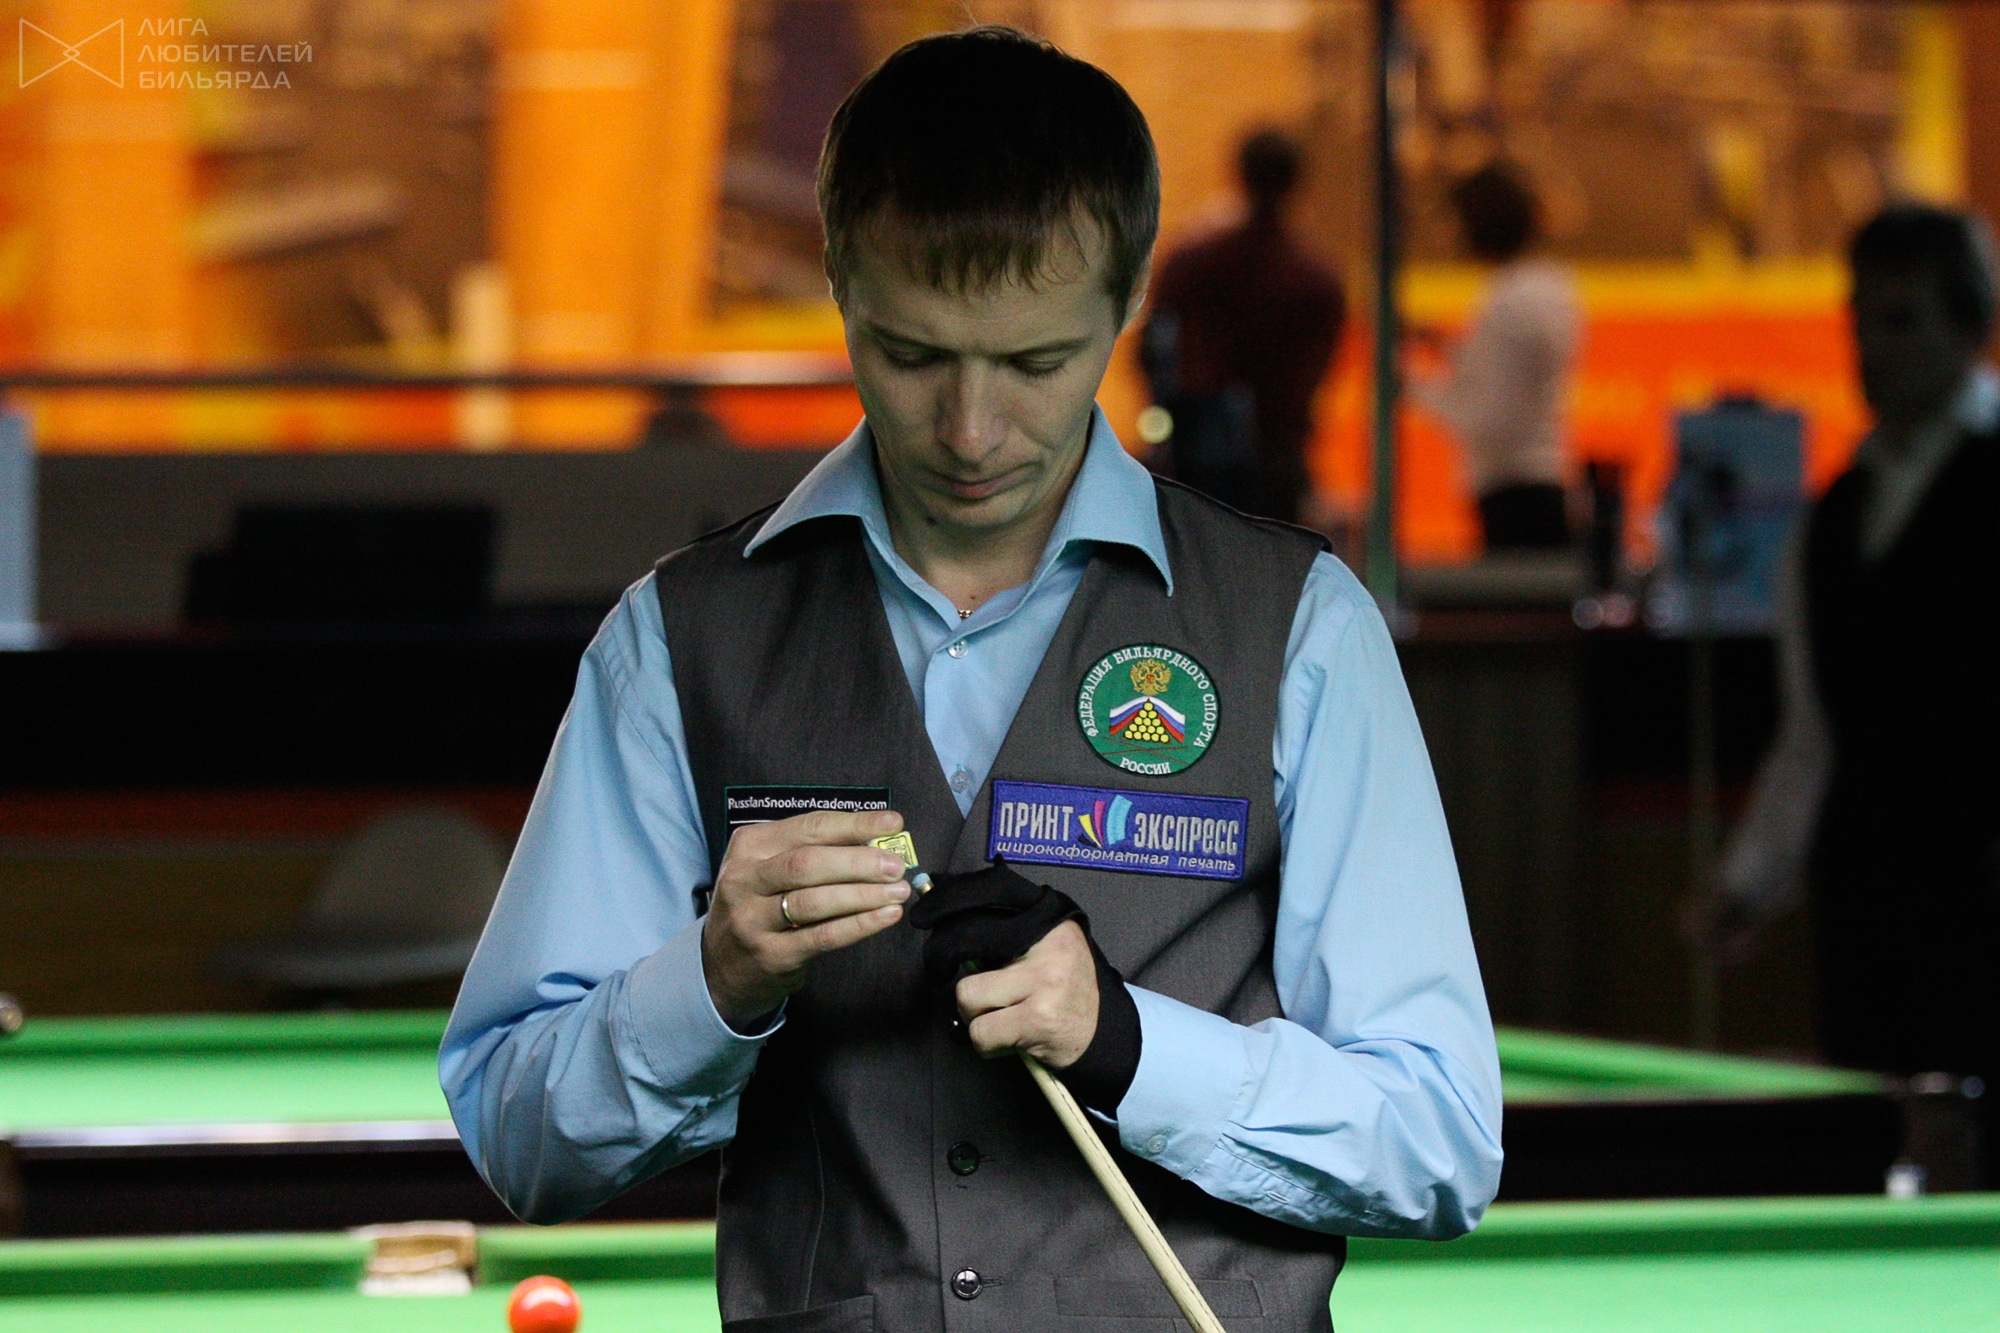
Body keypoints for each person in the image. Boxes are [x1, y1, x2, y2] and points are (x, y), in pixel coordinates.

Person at [442, 27, 1501, 1330]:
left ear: (1128, 300)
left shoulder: (1301, 628)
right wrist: (710, 981)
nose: (969, 430)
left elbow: (1438, 1139)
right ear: (837, 279)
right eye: (911, 354)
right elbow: (516, 1134)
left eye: (1035, 363)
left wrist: (1127, 1042)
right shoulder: (678, 638)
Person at [1711, 204, 2000, 1175]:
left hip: (1980, 895)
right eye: (1861, 319)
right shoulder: (1831, 513)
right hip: (1868, 900)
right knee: (1880, 1168)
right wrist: (1747, 884)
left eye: (1902, 319)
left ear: (1970, 325)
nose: (1872, 346)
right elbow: (1812, 733)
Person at [1138, 129, 1346, 524]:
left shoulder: (1192, 263)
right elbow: (1318, 370)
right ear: (1296, 184)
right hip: (1279, 454)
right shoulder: (1316, 278)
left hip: (1195, 455)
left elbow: (1153, 351)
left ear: (1239, 176)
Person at [1410, 162, 1580, 551]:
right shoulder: (1549, 287)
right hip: (1539, 480)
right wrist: (1442, 345)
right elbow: (1507, 373)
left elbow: (1488, 416)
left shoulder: (1510, 300)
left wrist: (1408, 385)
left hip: (1511, 490)